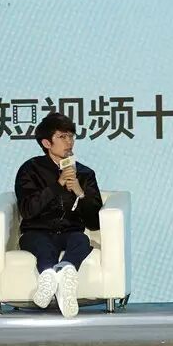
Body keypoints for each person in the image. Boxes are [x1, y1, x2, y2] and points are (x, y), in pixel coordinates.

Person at [14, 112, 103, 317]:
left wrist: (80, 193)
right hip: (36, 231)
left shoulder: (85, 173)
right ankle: (54, 277)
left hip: (70, 231)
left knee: (81, 241)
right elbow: (27, 210)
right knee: (44, 247)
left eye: (71, 136)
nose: (69, 142)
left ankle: (60, 273)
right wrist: (57, 185)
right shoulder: (30, 169)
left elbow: (94, 222)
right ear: (47, 143)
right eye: (62, 137)